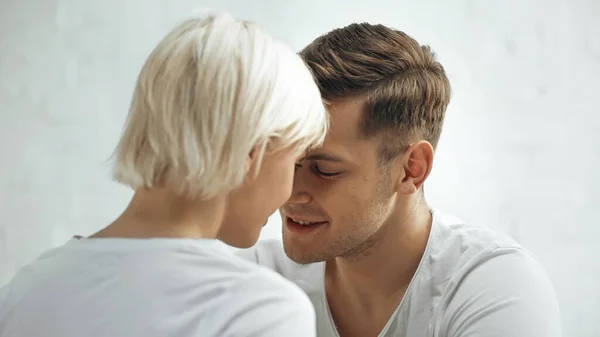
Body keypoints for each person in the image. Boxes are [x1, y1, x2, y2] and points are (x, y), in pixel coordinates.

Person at [0, 12, 328, 337]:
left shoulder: (25, 290)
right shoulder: (261, 311)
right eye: (295, 162)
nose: (291, 193)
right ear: (251, 151)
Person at [237, 23, 562, 337]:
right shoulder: (251, 279)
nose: (288, 193)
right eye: (286, 160)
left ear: (411, 170)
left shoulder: (494, 288)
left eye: (324, 170)